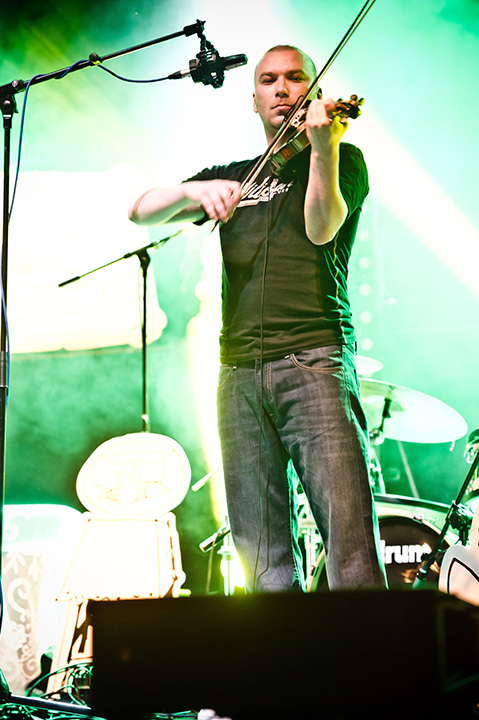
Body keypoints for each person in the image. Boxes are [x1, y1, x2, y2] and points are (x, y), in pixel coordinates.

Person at [128, 45, 387, 593]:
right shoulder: (234, 176)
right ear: (253, 99)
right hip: (239, 373)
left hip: (314, 361)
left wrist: (323, 148)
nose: (281, 89)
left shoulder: (345, 158)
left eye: (294, 78)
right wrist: (195, 190)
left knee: (350, 548)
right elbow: (140, 210)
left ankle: (369, 648)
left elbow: (321, 227)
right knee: (260, 557)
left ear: (314, 92)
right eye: (268, 80)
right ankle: (281, 649)